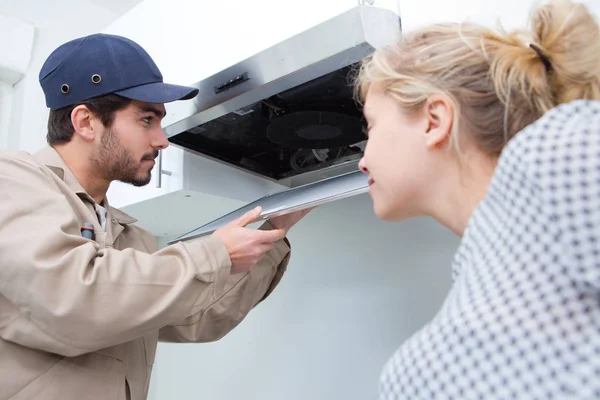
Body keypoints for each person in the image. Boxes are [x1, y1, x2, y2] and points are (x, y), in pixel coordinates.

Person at [0, 33, 309, 400]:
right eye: (146, 119)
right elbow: (73, 300)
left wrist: (276, 229)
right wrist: (216, 253)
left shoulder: (133, 237)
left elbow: (197, 318)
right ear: (85, 122)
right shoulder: (14, 181)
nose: (162, 140)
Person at [354, 0, 600, 398]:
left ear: (435, 119)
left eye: (372, 126)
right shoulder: (482, 275)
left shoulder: (560, 151)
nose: (362, 160)